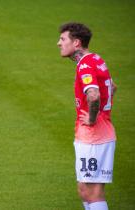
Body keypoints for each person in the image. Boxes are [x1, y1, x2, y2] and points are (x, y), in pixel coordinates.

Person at [57, 22, 117, 210]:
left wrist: (92, 118)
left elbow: (94, 95)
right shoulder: (96, 59)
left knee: (93, 192)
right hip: (97, 134)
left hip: (94, 137)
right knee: (84, 189)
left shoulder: (85, 65)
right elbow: (112, 87)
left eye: (63, 39)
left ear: (76, 43)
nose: (58, 43)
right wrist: (103, 114)